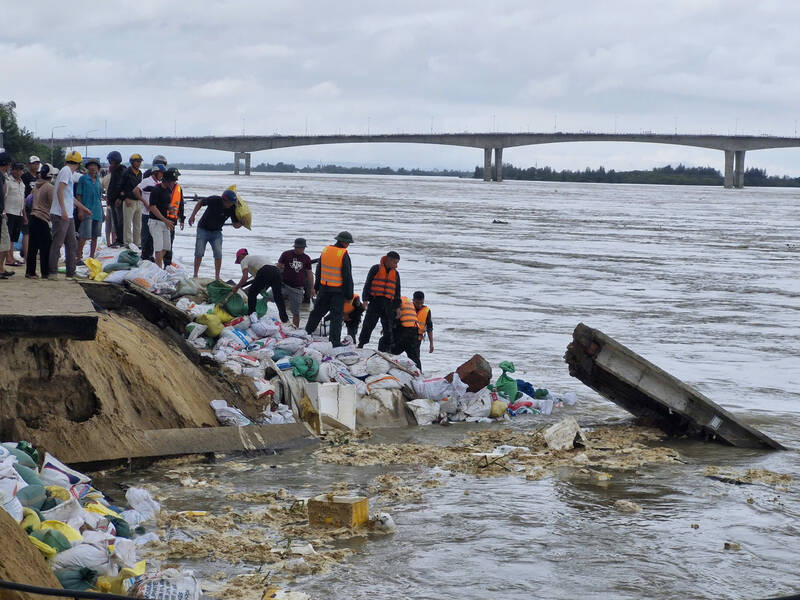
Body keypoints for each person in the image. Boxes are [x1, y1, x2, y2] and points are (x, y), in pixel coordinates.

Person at [304, 231, 354, 347]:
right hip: (337, 292)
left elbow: (319, 269)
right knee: (336, 318)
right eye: (348, 243)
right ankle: (334, 342)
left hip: (324, 289)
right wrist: (349, 295)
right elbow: (347, 276)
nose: (348, 245)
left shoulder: (326, 250)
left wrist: (316, 287)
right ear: (344, 242)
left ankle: (306, 333)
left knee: (316, 313)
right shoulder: (343, 254)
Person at [49, 151, 91, 280]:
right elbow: (60, 191)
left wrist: (84, 208)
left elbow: (70, 197)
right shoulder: (66, 171)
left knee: (72, 243)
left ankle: (70, 272)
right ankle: (52, 272)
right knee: (57, 243)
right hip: (60, 214)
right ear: (78, 164)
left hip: (68, 214)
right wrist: (63, 210)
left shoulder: (67, 172)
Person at [188, 188, 241, 280]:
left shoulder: (232, 208)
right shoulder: (214, 200)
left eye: (232, 203)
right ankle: (195, 275)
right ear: (224, 200)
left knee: (218, 254)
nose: (231, 205)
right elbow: (200, 202)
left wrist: (242, 222)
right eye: (230, 203)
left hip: (217, 232)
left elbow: (235, 225)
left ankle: (217, 277)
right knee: (199, 252)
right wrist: (192, 216)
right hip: (203, 229)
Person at [358, 251, 401, 351]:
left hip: (388, 304)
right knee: (368, 325)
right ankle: (361, 345)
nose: (396, 265)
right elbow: (368, 284)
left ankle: (388, 349)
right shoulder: (375, 268)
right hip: (375, 302)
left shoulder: (396, 274)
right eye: (395, 262)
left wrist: (398, 307)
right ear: (389, 260)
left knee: (388, 328)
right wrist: (365, 300)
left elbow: (397, 292)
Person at [231, 249, 289, 322]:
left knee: (252, 293)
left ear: (240, 256)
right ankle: (285, 320)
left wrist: (236, 287)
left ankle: (251, 316)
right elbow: (261, 278)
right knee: (278, 297)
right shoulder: (256, 258)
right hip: (277, 271)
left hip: (265, 271)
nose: (240, 263)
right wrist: (263, 288)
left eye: (238, 260)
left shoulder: (244, 260)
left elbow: (245, 277)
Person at [147, 167, 184, 268]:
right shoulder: (156, 190)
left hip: (165, 222)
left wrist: (171, 208)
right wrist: (165, 220)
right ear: (167, 181)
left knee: (166, 247)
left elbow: (165, 203)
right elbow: (152, 207)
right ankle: (159, 269)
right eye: (172, 181)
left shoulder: (168, 190)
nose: (174, 183)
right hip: (155, 222)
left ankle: (156, 264)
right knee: (158, 248)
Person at [26, 163, 57, 279]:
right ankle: (45, 272)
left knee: (32, 247)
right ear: (51, 175)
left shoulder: (36, 185)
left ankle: (30, 272)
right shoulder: (49, 187)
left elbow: (29, 200)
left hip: (33, 216)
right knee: (45, 247)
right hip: (42, 218)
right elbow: (53, 204)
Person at [135, 155, 167, 261]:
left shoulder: (159, 183)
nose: (162, 175)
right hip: (146, 213)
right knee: (146, 235)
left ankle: (150, 255)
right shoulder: (146, 181)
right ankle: (145, 255)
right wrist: (144, 202)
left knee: (154, 237)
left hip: (155, 214)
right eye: (161, 173)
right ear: (156, 172)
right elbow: (135, 191)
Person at [277, 237, 314, 327]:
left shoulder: (306, 258)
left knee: (296, 312)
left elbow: (310, 274)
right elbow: (278, 267)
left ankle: (295, 329)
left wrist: (312, 288)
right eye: (298, 248)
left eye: (302, 248)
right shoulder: (286, 254)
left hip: (297, 288)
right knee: (269, 298)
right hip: (284, 285)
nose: (300, 250)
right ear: (295, 247)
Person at [75, 158, 104, 260]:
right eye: (91, 166)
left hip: (97, 211)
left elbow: (99, 197)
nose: (93, 168)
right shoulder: (83, 179)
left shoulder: (98, 180)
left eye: (95, 166)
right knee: (84, 235)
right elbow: (79, 195)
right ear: (87, 167)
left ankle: (91, 256)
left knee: (95, 236)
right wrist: (80, 210)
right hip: (86, 210)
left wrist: (102, 212)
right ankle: (79, 256)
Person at [4, 162, 26, 267]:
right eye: (16, 169)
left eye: (20, 170)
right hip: (9, 212)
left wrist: (24, 215)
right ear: (12, 170)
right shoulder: (8, 181)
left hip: (18, 212)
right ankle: (8, 258)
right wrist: (3, 212)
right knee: (8, 237)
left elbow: (23, 200)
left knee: (13, 237)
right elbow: (3, 197)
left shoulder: (22, 184)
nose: (18, 172)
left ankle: (11, 256)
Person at [392, 295, 422, 370]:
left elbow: (396, 317)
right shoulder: (406, 300)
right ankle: (419, 373)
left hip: (404, 331)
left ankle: (384, 366)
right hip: (414, 331)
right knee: (414, 357)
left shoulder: (395, 301)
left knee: (387, 347)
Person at [120, 153, 144, 246]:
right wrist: (125, 198)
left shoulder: (140, 173)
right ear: (132, 162)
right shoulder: (126, 172)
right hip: (129, 200)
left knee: (138, 224)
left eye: (140, 161)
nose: (139, 163)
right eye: (137, 161)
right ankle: (128, 243)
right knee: (128, 223)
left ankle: (137, 243)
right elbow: (120, 187)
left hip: (138, 201)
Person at [21, 156, 40, 260]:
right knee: (26, 231)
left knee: (35, 232)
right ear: (29, 165)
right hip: (27, 206)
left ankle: (31, 252)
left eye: (37, 163)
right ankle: (27, 256)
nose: (36, 166)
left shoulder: (39, 177)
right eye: (34, 163)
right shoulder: (25, 177)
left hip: (38, 207)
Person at [105, 150, 125, 246]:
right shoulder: (114, 170)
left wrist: (120, 198)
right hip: (113, 200)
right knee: (116, 221)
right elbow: (112, 186)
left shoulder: (120, 170)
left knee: (119, 221)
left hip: (117, 200)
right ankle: (118, 239)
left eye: (111, 160)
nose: (110, 162)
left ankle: (121, 239)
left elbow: (121, 186)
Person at [0, 152, 12, 279]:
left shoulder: (3, 177)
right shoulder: (1, 177)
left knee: (5, 243)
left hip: (2, 213)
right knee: (5, 243)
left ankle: (1, 268)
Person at [413, 290, 435, 356]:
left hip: (417, 339)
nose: (419, 305)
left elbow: (429, 328)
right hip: (403, 337)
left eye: (421, 302)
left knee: (415, 359)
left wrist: (431, 344)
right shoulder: (407, 308)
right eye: (417, 303)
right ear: (413, 300)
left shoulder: (427, 311)